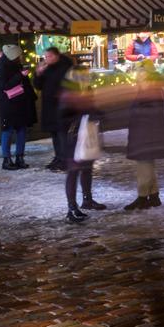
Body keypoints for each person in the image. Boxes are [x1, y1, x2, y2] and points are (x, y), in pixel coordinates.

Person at [124, 63, 164, 211]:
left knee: (143, 166)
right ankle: (154, 195)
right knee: (148, 165)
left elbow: (153, 113)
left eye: (140, 71)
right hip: (147, 134)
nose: (137, 74)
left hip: (147, 135)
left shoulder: (151, 90)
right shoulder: (150, 88)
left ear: (147, 73)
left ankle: (143, 197)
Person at [60, 79, 107, 225]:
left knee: (87, 168)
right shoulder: (68, 94)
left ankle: (87, 199)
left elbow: (94, 109)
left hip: (86, 137)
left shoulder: (85, 89)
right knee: (73, 172)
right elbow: (64, 116)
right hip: (73, 139)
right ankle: (71, 208)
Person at [0, 44, 37, 170]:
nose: (21, 57)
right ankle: (6, 160)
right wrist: (20, 75)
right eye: (18, 55)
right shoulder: (1, 66)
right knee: (7, 130)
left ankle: (20, 157)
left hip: (21, 102)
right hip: (8, 103)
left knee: (21, 129)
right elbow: (4, 86)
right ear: (13, 55)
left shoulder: (16, 64)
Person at [34, 46, 74, 172]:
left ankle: (65, 160)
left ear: (57, 56)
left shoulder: (66, 67)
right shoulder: (47, 68)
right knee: (54, 133)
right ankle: (58, 157)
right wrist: (38, 74)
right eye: (45, 57)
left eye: (49, 56)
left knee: (62, 133)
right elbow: (38, 86)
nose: (47, 59)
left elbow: (69, 86)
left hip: (62, 106)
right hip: (49, 106)